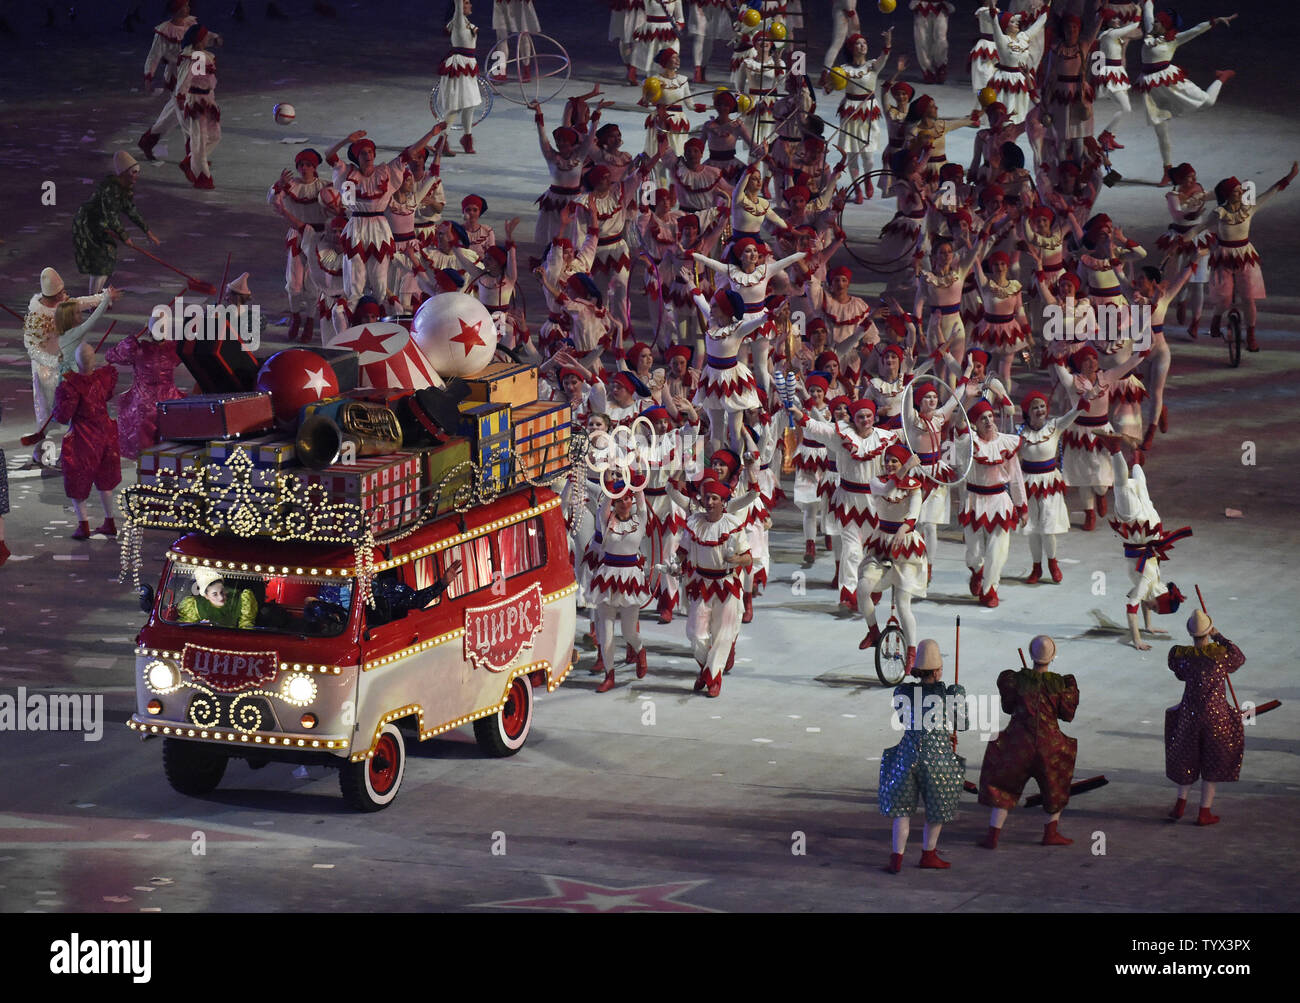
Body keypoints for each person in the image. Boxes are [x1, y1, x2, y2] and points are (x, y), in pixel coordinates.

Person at [976, 635, 1081, 849]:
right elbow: (1067, 715)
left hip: (1017, 742)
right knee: (1056, 785)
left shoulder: (1015, 680)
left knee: (1003, 786)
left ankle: (993, 836)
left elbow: (1008, 707)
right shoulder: (1061, 685)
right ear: (1053, 657)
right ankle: (1050, 833)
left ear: (1031, 655)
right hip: (1050, 745)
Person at [879, 638, 967, 872]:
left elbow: (903, 719)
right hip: (937, 757)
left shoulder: (903, 691)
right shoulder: (948, 693)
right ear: (938, 671)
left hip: (908, 753)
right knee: (937, 807)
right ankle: (928, 853)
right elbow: (962, 723)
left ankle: (896, 858)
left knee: (902, 811)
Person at [666, 476, 754, 698]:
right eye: (707, 497)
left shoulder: (733, 525)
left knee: (723, 634)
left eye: (715, 498)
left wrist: (736, 560)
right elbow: (683, 551)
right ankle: (708, 670)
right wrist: (675, 565)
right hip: (700, 584)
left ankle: (713, 678)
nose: (710, 502)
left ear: (723, 502)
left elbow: (748, 558)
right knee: (695, 633)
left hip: (726, 585)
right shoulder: (695, 522)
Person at [1103, 436, 1192, 650]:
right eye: (1155, 609)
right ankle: (1115, 449)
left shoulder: (1155, 580)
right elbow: (1132, 606)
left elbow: (1144, 600)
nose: (1151, 608)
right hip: (1136, 528)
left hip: (1151, 523)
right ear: (1158, 601)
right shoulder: (1147, 582)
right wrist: (1137, 640)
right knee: (1122, 486)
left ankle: (1135, 456)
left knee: (1141, 487)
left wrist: (1148, 626)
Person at [1201, 163, 1299, 353]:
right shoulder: (1220, 213)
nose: (1241, 193)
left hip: (1244, 255)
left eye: (1241, 190)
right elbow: (1201, 228)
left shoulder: (1248, 210)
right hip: (1224, 256)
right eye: (1237, 190)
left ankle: (1251, 334)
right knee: (1225, 298)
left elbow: (1271, 192)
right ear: (1228, 195)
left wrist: (1289, 177)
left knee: (1248, 298)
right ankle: (1216, 319)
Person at [1136, 3, 1237, 185]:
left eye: (1159, 22)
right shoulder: (1150, 33)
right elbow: (1147, 12)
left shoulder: (1174, 40)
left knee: (1208, 102)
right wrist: (1147, 3)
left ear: (1166, 26)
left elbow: (1195, 30)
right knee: (1161, 130)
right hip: (1151, 88)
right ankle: (1167, 170)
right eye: (1156, 21)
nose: (1154, 24)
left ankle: (1222, 77)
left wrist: (1217, 21)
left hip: (1169, 82)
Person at [1165, 609, 1245, 826]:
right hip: (1216, 718)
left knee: (1186, 761)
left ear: (1190, 633)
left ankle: (1180, 805)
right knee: (1211, 763)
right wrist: (1218, 635)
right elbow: (1239, 657)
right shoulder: (1220, 655)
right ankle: (1204, 812)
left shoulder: (1182, 656)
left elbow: (1179, 673)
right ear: (1208, 630)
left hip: (1190, 715)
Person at [958, 398, 1025, 609]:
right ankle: (978, 572)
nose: (988, 421)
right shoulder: (967, 443)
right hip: (973, 500)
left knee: (997, 550)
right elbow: (958, 423)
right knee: (974, 553)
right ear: (974, 424)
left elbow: (1015, 477)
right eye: (982, 418)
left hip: (999, 500)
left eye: (990, 416)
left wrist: (1021, 505)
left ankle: (990, 589)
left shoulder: (1006, 443)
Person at [52, 343, 121, 540]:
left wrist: (59, 401)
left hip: (84, 439)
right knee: (105, 480)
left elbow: (64, 416)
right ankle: (109, 521)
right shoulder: (103, 378)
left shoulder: (71, 386)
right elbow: (107, 394)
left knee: (77, 480)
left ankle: (83, 525)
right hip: (106, 434)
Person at [590, 482, 650, 692]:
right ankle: (609, 675)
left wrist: (637, 479)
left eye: (627, 498)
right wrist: (610, 486)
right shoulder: (605, 520)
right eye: (620, 500)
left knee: (628, 632)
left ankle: (640, 650)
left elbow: (641, 499)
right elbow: (605, 501)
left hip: (630, 581)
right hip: (607, 578)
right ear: (613, 504)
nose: (625, 503)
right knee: (606, 636)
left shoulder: (640, 519)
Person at [268, 148, 334, 341]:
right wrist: (279, 186)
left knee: (313, 284)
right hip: (297, 236)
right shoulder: (291, 186)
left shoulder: (324, 187)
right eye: (301, 165)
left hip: (318, 237)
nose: (304, 169)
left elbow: (340, 207)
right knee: (294, 282)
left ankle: (310, 320)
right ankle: (295, 316)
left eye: (308, 165)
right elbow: (272, 200)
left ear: (315, 167)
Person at [72, 152, 160, 294]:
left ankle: (96, 295)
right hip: (89, 225)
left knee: (106, 260)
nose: (136, 176)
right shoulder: (110, 189)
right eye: (134, 172)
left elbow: (131, 210)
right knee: (101, 262)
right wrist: (125, 237)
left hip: (101, 226)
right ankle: (94, 299)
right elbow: (111, 216)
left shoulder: (124, 188)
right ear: (125, 172)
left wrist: (148, 232)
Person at [137, 0, 203, 161]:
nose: (187, 8)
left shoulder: (191, 23)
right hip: (177, 77)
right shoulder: (165, 31)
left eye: (188, 5)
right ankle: (194, 158)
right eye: (184, 6)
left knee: (172, 115)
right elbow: (154, 55)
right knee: (188, 117)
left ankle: (147, 141)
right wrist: (148, 76)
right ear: (176, 9)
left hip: (192, 74)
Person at [174, 24, 222, 189]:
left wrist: (215, 38)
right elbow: (187, 77)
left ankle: (189, 161)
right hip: (196, 100)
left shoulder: (202, 55)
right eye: (204, 38)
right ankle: (203, 177)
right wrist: (181, 95)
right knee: (199, 140)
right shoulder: (197, 57)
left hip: (207, 99)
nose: (206, 39)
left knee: (215, 136)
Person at [440, 0, 484, 155]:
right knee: (455, 105)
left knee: (470, 104)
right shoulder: (458, 21)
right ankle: (442, 140)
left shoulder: (466, 23)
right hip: (459, 65)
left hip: (468, 65)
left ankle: (467, 137)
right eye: (466, 3)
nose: (470, 5)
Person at [178, 567, 259, 628]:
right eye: (215, 594)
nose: (221, 597)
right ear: (206, 596)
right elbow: (186, 629)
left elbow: (247, 626)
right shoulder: (194, 606)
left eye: (222, 591)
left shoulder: (241, 599)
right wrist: (200, 626)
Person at [909, 0, 954, 84]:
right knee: (922, 40)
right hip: (922, 7)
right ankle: (928, 69)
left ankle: (941, 66)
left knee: (941, 39)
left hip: (940, 7)